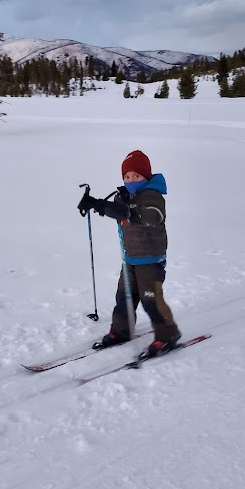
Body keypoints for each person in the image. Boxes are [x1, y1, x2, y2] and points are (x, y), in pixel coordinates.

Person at [78, 150, 181, 357]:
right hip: (131, 257)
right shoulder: (125, 196)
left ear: (146, 177)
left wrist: (127, 210)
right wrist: (96, 203)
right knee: (124, 296)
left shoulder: (153, 196)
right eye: (127, 176)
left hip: (151, 258)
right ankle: (121, 332)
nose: (131, 180)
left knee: (151, 298)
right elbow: (117, 211)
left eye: (136, 176)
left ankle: (168, 334)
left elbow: (151, 216)